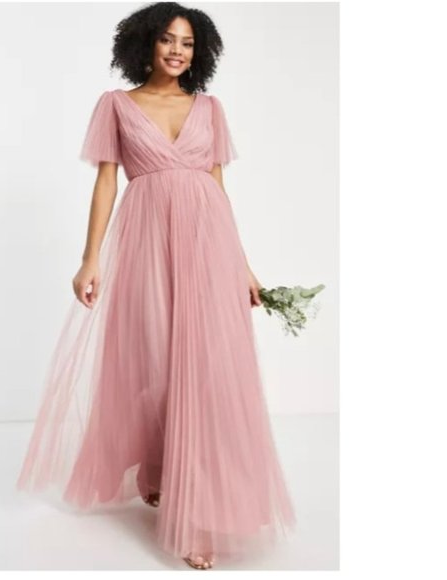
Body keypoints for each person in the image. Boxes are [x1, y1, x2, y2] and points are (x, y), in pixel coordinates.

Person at [16, 2, 296, 570]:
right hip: (146, 244)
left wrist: (242, 265)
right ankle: (159, 467)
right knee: (156, 362)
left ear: (200, 52)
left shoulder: (209, 109)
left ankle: (198, 515)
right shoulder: (116, 105)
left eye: (188, 43)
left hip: (209, 246)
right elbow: (106, 183)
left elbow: (217, 189)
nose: (177, 51)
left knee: (207, 371)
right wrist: (90, 259)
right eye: (168, 39)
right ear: (145, 42)